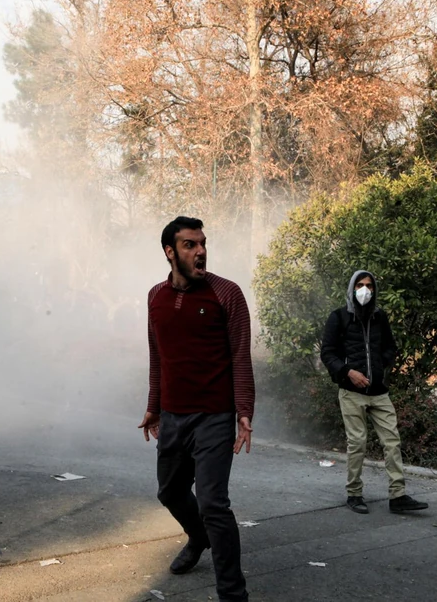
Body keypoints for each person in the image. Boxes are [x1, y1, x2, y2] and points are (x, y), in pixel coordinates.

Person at [138, 217, 253, 602]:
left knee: (213, 504)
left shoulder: (227, 293)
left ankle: (233, 594)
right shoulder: (155, 296)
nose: (200, 251)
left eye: (202, 243)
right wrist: (153, 406)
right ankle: (198, 537)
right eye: (190, 244)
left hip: (214, 417)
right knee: (170, 492)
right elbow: (158, 357)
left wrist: (244, 411)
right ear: (170, 252)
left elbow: (240, 355)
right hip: (173, 416)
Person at [320, 270, 428, 516]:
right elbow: (328, 353)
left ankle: (398, 496)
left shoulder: (380, 317)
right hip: (351, 391)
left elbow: (390, 347)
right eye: (360, 285)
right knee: (357, 443)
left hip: (379, 392)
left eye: (369, 285)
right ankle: (354, 494)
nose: (365, 290)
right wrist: (348, 372)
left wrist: (380, 367)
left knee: (392, 441)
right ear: (352, 288)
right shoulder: (339, 317)